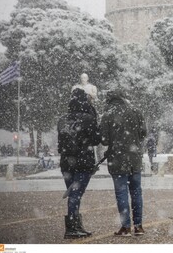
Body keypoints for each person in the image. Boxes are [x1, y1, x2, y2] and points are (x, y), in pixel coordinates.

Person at [100, 90, 147, 236]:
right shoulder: (135, 111)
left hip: (117, 160)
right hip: (135, 159)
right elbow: (143, 133)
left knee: (121, 194)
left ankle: (125, 227)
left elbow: (104, 140)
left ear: (109, 100)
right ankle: (138, 226)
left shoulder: (107, 115)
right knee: (136, 192)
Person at [57, 88, 101, 239]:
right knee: (76, 194)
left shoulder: (62, 119)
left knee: (73, 194)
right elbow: (96, 140)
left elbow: (60, 143)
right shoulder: (88, 118)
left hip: (66, 162)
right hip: (83, 161)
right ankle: (72, 227)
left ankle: (75, 224)